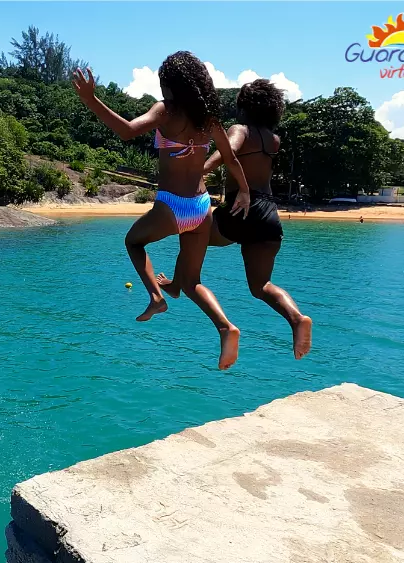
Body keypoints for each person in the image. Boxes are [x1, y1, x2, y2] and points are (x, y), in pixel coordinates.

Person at [72, 52, 251, 370]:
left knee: (133, 242)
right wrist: (245, 191)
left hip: (174, 206)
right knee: (191, 281)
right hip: (201, 206)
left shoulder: (166, 111)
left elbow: (127, 130)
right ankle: (226, 327)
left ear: (170, 86)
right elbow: (231, 159)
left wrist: (91, 99)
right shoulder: (209, 120)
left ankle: (156, 297)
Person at [156, 79, 312, 360]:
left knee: (192, 232)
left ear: (245, 107)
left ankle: (177, 285)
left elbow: (227, 153)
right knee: (261, 286)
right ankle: (297, 318)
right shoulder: (273, 140)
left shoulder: (240, 130)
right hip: (268, 214)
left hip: (242, 208)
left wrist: (196, 170)